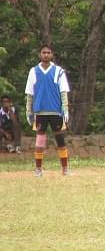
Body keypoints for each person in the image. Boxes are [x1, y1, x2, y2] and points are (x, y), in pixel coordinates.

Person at [24, 45, 71, 176]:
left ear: (52, 55)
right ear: (40, 54)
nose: (46, 55)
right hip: (40, 111)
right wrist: (29, 110)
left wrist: (65, 109)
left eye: (48, 52)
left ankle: (65, 168)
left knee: (60, 139)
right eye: (43, 52)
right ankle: (38, 169)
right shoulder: (33, 71)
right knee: (40, 140)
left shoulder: (58, 71)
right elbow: (30, 93)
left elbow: (63, 92)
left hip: (55, 111)